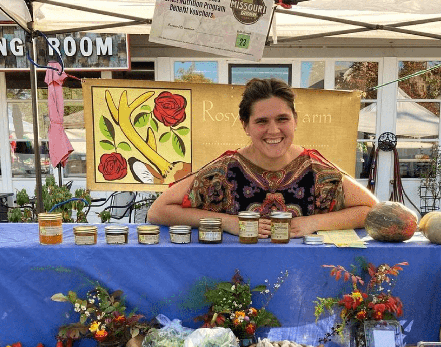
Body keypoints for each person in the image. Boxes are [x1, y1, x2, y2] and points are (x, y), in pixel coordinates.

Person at [147, 78, 378, 238]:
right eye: (261, 121)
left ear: (295, 121)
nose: (273, 130)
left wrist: (314, 223)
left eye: (282, 119)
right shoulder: (223, 171)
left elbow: (372, 210)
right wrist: (229, 223)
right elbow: (158, 211)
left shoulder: (317, 170)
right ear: (245, 125)